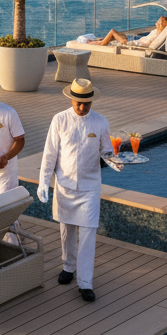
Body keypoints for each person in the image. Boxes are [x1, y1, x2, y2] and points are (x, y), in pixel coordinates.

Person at [36, 78, 114, 303]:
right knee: (66, 229)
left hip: (90, 187)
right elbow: (49, 154)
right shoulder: (59, 120)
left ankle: (85, 283)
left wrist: (117, 161)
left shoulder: (100, 122)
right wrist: (43, 182)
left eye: (86, 103)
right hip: (65, 185)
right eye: (79, 103)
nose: (82, 107)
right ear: (71, 99)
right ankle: (68, 267)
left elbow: (107, 152)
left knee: (88, 234)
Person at [87, 15, 167, 47]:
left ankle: (97, 44)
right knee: (115, 36)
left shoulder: (158, 35)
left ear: (162, 24)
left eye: (158, 21)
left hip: (132, 44)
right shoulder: (158, 32)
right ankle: (99, 41)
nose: (156, 22)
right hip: (134, 40)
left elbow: (146, 44)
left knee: (112, 32)